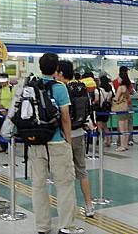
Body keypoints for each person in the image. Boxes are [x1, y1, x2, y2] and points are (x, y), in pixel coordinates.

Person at [30, 53, 83, 234]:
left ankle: (42, 227)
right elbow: (66, 118)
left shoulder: (31, 85)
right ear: (56, 69)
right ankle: (66, 226)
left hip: (36, 143)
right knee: (65, 184)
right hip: (57, 142)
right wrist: (68, 140)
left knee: (38, 185)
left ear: (40, 67)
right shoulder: (59, 87)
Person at [57, 60, 94, 218]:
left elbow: (62, 116)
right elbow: (88, 110)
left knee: (65, 174)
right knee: (82, 170)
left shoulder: (61, 89)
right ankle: (89, 205)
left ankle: (69, 208)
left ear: (61, 74)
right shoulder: (82, 87)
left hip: (65, 136)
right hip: (79, 133)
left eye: (57, 72)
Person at [113, 66, 134, 145]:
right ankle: (129, 140)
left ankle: (120, 141)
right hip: (128, 104)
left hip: (120, 106)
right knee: (129, 123)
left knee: (120, 124)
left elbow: (116, 96)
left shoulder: (115, 82)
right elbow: (132, 92)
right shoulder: (128, 82)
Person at [0, 73, 14, 152]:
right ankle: (3, 147)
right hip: (0, 112)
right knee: (0, 130)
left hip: (9, 112)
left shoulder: (11, 88)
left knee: (9, 130)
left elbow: (14, 100)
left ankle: (10, 147)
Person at [94, 75, 114, 147]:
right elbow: (110, 101)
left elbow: (96, 100)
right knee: (105, 126)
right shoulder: (110, 91)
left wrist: (93, 103)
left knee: (99, 126)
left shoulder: (97, 90)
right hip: (106, 110)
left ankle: (101, 140)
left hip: (99, 110)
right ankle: (108, 140)